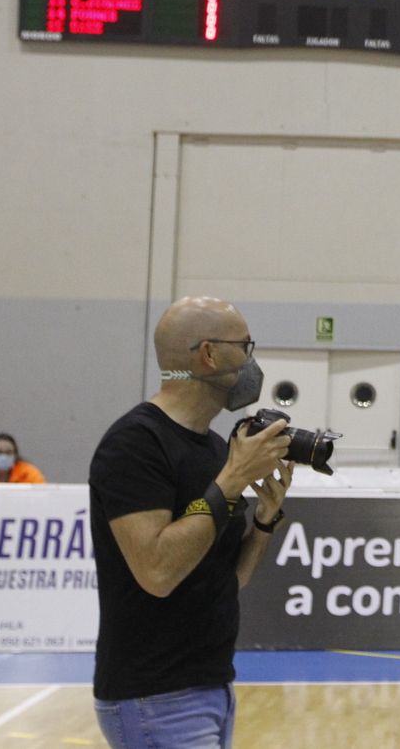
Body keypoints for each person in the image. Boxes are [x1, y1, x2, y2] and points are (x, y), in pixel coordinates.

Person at [89, 297, 295, 749]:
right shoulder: (135, 445)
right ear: (208, 355)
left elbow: (226, 580)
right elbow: (158, 571)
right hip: (154, 697)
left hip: (211, 688)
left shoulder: (216, 451)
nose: (252, 361)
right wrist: (233, 480)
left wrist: (263, 521)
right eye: (245, 346)